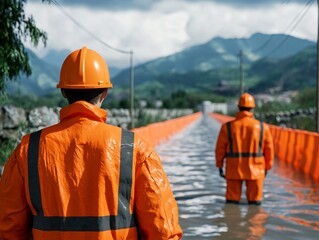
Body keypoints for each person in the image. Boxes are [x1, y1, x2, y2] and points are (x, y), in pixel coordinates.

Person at [0, 47, 182, 240]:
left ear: (63, 91)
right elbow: (163, 230)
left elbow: (8, 228)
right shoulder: (134, 147)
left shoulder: (28, 150)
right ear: (104, 93)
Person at [215, 93, 274, 205]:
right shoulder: (262, 127)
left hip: (233, 169)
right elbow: (269, 149)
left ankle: (231, 221)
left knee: (231, 202)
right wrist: (267, 167)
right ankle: (254, 222)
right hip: (256, 170)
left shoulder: (227, 127)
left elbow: (220, 149)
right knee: (255, 205)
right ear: (252, 108)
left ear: (238, 107)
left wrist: (219, 165)